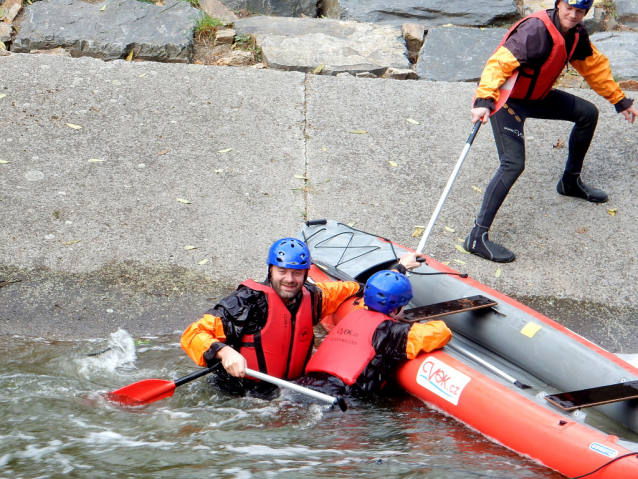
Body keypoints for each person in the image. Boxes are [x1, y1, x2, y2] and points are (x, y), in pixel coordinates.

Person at [464, 0, 638, 263]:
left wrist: (619, 100)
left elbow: (594, 67)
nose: (573, 14)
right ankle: (477, 237)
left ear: (586, 12)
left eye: (580, 11)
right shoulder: (535, 30)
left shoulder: (577, 33)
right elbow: (498, 64)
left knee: (587, 113)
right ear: (558, 4)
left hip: (538, 97)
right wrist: (483, 100)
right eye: (569, 7)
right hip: (509, 101)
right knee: (513, 164)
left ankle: (570, 182)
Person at [180, 237, 424, 396]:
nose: (289, 279)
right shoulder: (245, 303)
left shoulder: (315, 297)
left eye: (297, 273)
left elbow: (359, 289)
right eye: (282, 271)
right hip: (239, 396)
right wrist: (224, 352)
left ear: (307, 274)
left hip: (291, 392)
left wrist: (399, 270)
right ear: (270, 270)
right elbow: (192, 334)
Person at [303, 270, 452, 395]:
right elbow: (441, 332)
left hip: (306, 383)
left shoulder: (355, 313)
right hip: (343, 395)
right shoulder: (396, 333)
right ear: (397, 309)